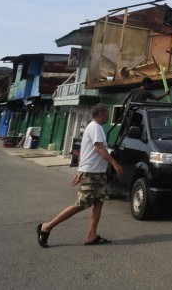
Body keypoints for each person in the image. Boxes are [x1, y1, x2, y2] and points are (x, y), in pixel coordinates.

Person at [36, 104, 124, 247]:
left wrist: (79, 169)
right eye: (107, 112)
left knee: (98, 202)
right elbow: (100, 149)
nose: (109, 115)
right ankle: (47, 227)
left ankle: (91, 235)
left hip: (97, 172)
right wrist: (115, 164)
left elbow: (85, 150)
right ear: (101, 113)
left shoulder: (94, 127)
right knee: (82, 204)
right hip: (91, 173)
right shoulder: (95, 127)